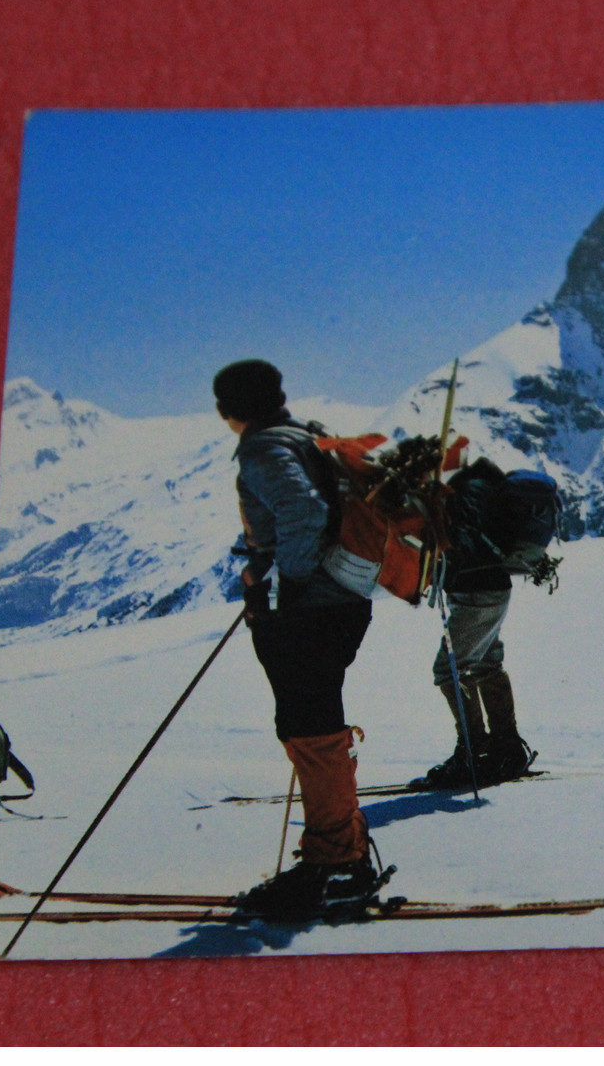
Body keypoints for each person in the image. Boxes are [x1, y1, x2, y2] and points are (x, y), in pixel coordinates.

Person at [213, 359, 385, 918]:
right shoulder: (309, 434)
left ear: (228, 411)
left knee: (310, 732)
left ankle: (335, 868)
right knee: (318, 727)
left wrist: (286, 576)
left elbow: (302, 510)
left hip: (307, 608)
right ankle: (344, 855)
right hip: (343, 601)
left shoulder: (263, 448)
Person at [408, 456, 537, 791]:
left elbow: (464, 545)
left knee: (450, 668)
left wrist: (438, 525)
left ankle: (474, 752)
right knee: (486, 664)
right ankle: (506, 748)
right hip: (493, 589)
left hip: (474, 591)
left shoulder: (466, 492)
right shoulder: (488, 488)